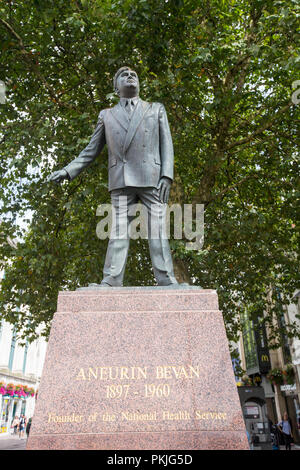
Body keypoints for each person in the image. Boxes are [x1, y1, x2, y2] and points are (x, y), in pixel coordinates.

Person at [49, 66, 180, 287]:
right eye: (124, 75)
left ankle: (166, 279)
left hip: (152, 177)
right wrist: (67, 171)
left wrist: (167, 175)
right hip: (120, 180)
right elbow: (91, 150)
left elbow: (167, 143)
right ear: (116, 87)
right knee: (118, 231)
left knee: (157, 229)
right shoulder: (106, 115)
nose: (130, 77)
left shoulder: (155, 109)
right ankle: (110, 280)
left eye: (134, 75)